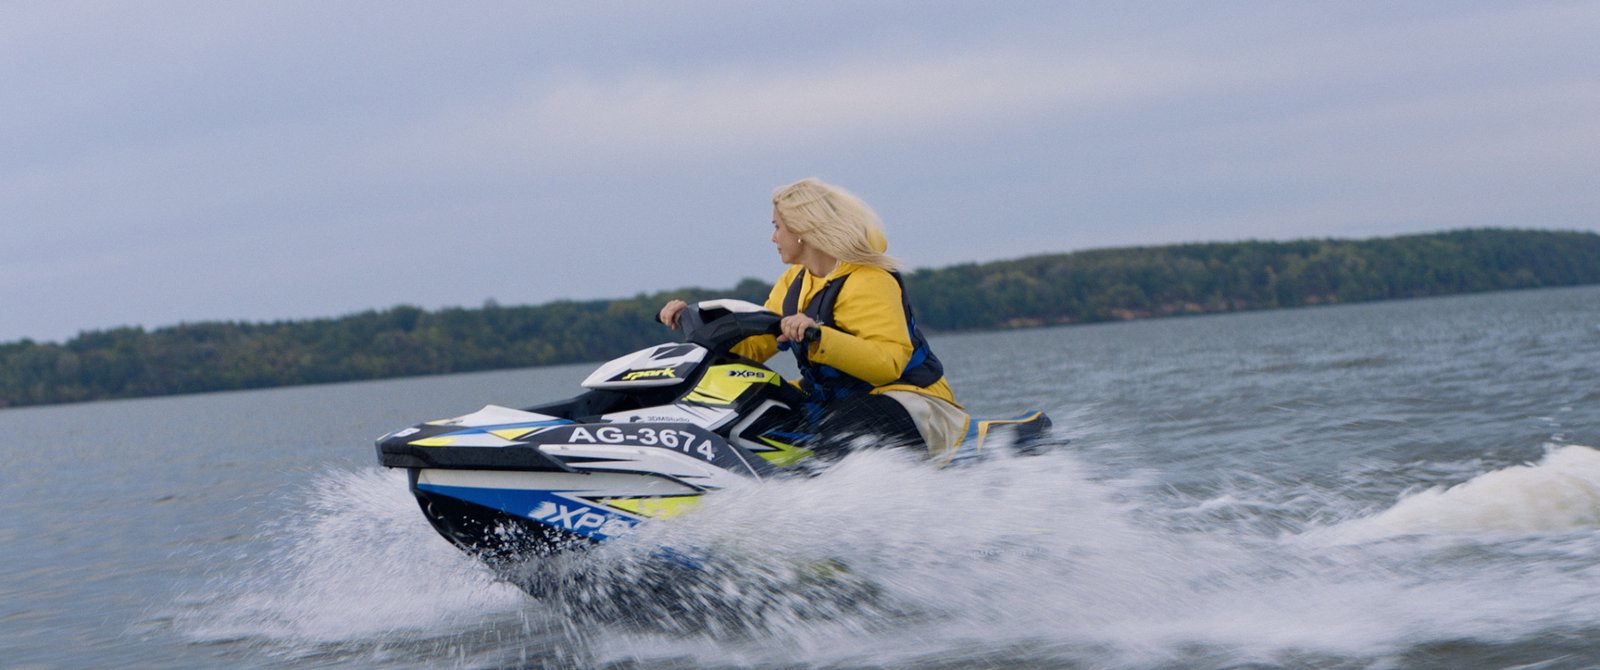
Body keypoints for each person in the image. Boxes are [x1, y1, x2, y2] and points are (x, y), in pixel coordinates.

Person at [659, 178, 968, 459]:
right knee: (748, 408)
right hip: (834, 401)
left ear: (801, 230)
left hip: (913, 403)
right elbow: (756, 346)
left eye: (777, 227)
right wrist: (696, 326)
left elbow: (887, 364)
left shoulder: (869, 280)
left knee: (839, 431)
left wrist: (819, 336)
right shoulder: (794, 282)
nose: (773, 237)